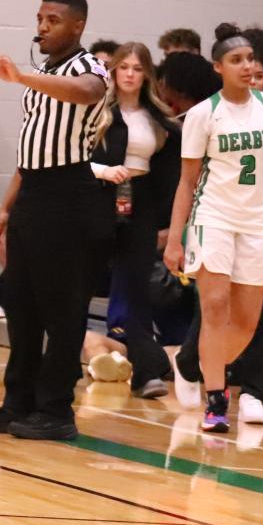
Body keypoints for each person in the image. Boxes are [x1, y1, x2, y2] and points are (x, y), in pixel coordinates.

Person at [0, 0, 112, 441]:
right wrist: (5, 206)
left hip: (70, 197)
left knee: (62, 308)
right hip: (33, 192)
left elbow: (88, 93)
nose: (43, 27)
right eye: (40, 18)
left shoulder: (87, 68)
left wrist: (23, 77)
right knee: (22, 305)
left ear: (77, 26)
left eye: (53, 20)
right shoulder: (46, 73)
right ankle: (18, 402)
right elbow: (32, 151)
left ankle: (57, 410)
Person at [164, 30, 263, 433]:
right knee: (216, 307)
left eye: (252, 59)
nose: (248, 65)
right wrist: (176, 238)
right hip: (214, 218)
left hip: (258, 222)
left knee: (244, 322)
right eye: (238, 59)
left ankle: (193, 363)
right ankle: (217, 400)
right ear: (219, 68)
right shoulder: (204, 114)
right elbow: (187, 182)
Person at [87, 43, 181, 397]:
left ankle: (146, 371)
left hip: (138, 203)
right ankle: (63, 366)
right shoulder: (98, 112)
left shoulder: (158, 119)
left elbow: (169, 168)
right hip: (100, 199)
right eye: (123, 67)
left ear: (146, 75)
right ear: (113, 72)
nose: (129, 73)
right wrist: (104, 171)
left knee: (138, 286)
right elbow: (76, 158)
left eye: (137, 68)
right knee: (84, 279)